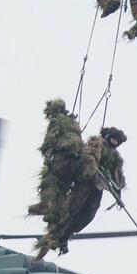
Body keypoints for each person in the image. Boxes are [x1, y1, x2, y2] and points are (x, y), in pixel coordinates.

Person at [36, 127, 127, 257]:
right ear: (108, 136)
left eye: (117, 141)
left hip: (98, 188)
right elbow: (88, 157)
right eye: (114, 139)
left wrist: (118, 191)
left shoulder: (116, 158)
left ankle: (66, 236)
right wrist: (94, 168)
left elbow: (117, 176)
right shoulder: (98, 143)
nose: (115, 142)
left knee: (88, 214)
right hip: (85, 183)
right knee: (72, 210)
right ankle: (55, 235)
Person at [28, 99, 83, 231]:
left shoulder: (56, 120)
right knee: (63, 191)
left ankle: (48, 210)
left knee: (49, 183)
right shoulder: (74, 123)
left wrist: (47, 155)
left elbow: (51, 138)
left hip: (61, 160)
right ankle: (57, 219)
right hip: (74, 162)